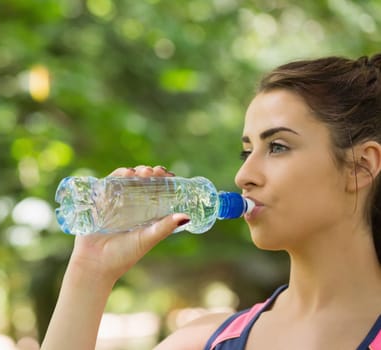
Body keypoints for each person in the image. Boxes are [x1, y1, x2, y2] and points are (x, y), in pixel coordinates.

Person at [40, 53, 381, 349]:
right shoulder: (206, 341)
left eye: (277, 146)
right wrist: (90, 273)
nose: (243, 175)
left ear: (362, 166)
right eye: (245, 151)